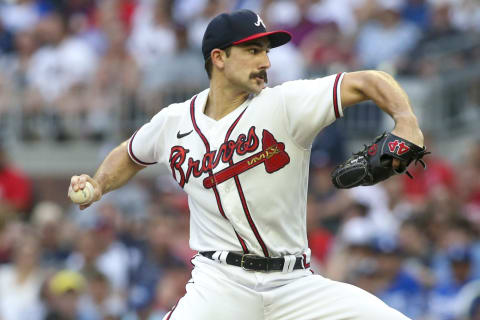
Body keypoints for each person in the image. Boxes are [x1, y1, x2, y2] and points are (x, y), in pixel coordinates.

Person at [69, 9, 424, 320]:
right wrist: (99, 184)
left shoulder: (286, 104)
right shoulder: (173, 122)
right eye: (253, 51)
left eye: (266, 52)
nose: (266, 62)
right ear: (219, 57)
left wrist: (406, 121)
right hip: (220, 285)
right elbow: (129, 155)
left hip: (294, 284)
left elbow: (366, 80)